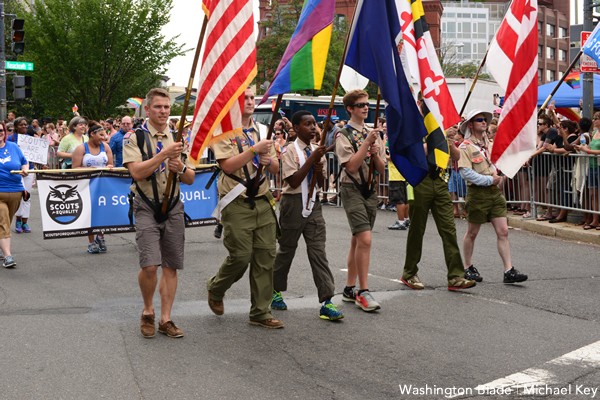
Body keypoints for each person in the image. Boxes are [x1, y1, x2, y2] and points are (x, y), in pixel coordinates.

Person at [206, 88, 283, 329]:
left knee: (265, 257)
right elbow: (227, 166)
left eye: (251, 98)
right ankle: (216, 287)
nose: (249, 102)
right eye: (244, 98)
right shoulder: (223, 131)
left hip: (262, 199)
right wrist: (254, 150)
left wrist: (270, 161)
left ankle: (260, 312)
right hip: (236, 202)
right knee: (240, 256)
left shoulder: (261, 131)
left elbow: (275, 168)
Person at [123, 88, 195, 338]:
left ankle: (166, 319)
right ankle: (147, 310)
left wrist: (181, 166)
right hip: (146, 206)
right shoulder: (135, 137)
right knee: (150, 265)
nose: (163, 111)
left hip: (174, 206)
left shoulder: (179, 137)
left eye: (166, 107)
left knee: (171, 265)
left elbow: (190, 178)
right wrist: (164, 155)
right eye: (158, 107)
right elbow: (136, 172)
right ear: (147, 109)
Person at [271, 111, 343, 321]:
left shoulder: (315, 150)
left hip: (313, 205)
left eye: (314, 124)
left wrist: (319, 169)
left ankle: (327, 300)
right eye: (307, 124)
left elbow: (321, 184)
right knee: (286, 250)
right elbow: (293, 181)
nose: (312, 128)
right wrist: (312, 159)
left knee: (318, 252)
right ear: (295, 127)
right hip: (293, 204)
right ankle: (275, 290)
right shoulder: (289, 150)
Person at [400, 100, 475, 291]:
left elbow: (456, 157)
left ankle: (456, 275)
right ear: (419, 103)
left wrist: (448, 142)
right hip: (421, 181)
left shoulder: (441, 125)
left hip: (440, 181)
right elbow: (415, 153)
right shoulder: (415, 125)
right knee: (417, 229)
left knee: (449, 229)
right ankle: (409, 272)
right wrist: (438, 138)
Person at [458, 110, 528, 284]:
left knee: (503, 231)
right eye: (479, 120)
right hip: (478, 193)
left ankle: (508, 270)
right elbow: (466, 173)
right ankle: (467, 266)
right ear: (471, 125)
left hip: (495, 193)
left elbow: (501, 162)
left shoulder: (490, 144)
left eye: (485, 120)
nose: (484, 122)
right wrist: (489, 180)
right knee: (472, 232)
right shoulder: (465, 147)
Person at [335, 89, 386, 312]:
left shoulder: (374, 133)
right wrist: (366, 144)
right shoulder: (343, 135)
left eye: (367, 104)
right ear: (350, 109)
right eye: (360, 105)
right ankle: (363, 291)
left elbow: (382, 169)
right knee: (365, 238)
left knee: (358, 239)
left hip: (370, 189)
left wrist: (375, 152)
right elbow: (352, 166)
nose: (365, 108)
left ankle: (348, 287)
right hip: (352, 188)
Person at [72, 122, 114, 254]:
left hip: (103, 185)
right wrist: (91, 169)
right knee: (90, 214)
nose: (104, 137)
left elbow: (111, 164)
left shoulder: (106, 147)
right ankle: (91, 242)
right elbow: (74, 168)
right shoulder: (81, 149)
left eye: (105, 134)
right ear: (92, 134)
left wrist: (109, 168)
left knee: (102, 212)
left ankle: (101, 237)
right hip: (87, 186)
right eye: (101, 134)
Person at [0, 121, 29, 268]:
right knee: (3, 222)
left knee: (5, 222)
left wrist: (25, 169)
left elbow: (24, 162)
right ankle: (8, 256)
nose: (0, 133)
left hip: (16, 191)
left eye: (1, 130)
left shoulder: (13, 147)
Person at [9, 117, 35, 234]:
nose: (24, 126)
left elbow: (36, 153)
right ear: (15, 126)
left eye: (25, 124)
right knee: (19, 195)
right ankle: (18, 220)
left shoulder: (31, 139)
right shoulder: (10, 139)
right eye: (21, 125)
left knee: (27, 196)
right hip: (16, 171)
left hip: (29, 170)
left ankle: (25, 221)